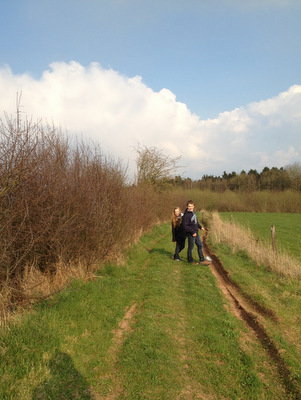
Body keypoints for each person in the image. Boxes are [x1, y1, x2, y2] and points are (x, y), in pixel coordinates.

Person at [182, 200, 210, 265]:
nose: (190, 207)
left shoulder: (193, 212)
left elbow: (195, 221)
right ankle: (190, 261)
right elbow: (185, 227)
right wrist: (192, 232)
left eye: (192, 206)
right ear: (187, 207)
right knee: (191, 248)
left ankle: (202, 260)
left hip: (196, 233)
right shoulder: (186, 215)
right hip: (191, 234)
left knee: (200, 245)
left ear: (194, 206)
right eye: (189, 206)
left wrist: (200, 227)